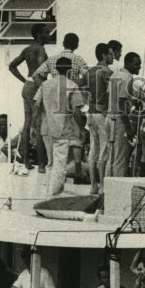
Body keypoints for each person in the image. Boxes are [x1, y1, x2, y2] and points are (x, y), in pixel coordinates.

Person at [35, 57, 86, 196]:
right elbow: (76, 111)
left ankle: (46, 194)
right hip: (62, 130)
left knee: (50, 163)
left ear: (55, 69)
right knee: (59, 164)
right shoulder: (72, 85)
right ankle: (54, 196)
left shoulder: (45, 85)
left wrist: (35, 125)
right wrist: (81, 128)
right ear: (70, 69)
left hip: (46, 128)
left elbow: (36, 105)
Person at [8, 23, 51, 169]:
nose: (49, 34)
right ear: (39, 34)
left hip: (27, 85)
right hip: (36, 87)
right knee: (38, 124)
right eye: (46, 32)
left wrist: (24, 80)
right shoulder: (40, 49)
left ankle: (26, 161)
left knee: (27, 123)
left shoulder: (27, 49)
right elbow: (39, 70)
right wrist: (43, 88)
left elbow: (11, 66)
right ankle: (41, 164)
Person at [105, 52, 142, 177]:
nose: (139, 67)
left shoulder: (115, 75)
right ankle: (118, 191)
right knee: (121, 159)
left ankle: (108, 190)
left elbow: (112, 97)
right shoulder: (128, 78)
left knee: (112, 157)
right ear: (128, 63)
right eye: (136, 64)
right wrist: (128, 128)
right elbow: (121, 103)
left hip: (109, 118)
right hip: (119, 120)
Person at [86, 42, 116, 191]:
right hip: (101, 113)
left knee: (93, 150)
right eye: (110, 54)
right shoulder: (107, 72)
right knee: (105, 150)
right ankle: (103, 186)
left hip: (90, 112)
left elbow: (83, 89)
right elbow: (110, 95)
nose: (113, 57)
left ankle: (93, 185)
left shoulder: (90, 71)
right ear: (104, 55)